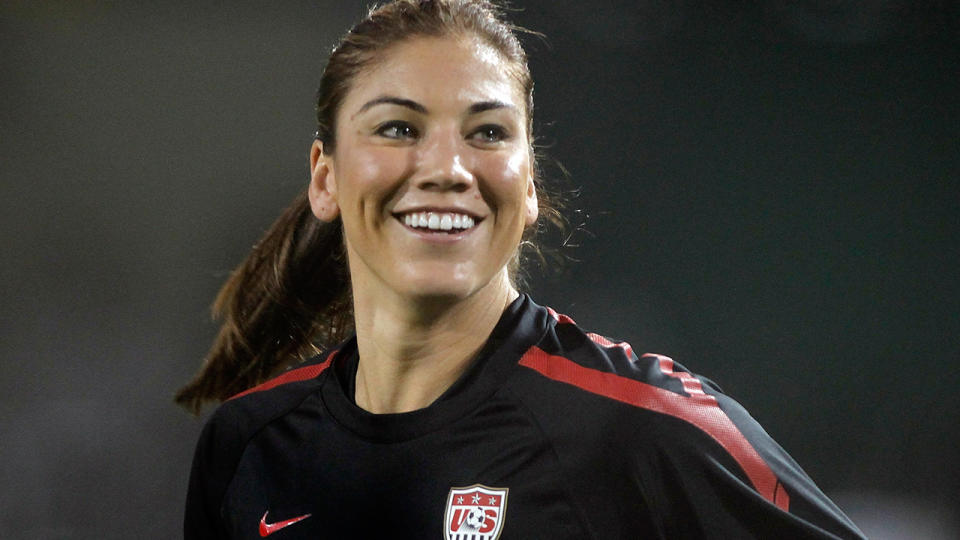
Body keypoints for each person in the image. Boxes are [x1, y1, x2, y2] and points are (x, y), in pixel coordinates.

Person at [178, 1, 866, 538]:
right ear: (325, 179)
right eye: (397, 128)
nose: (447, 168)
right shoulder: (247, 450)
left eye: (487, 132)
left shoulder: (639, 428)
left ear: (529, 185)